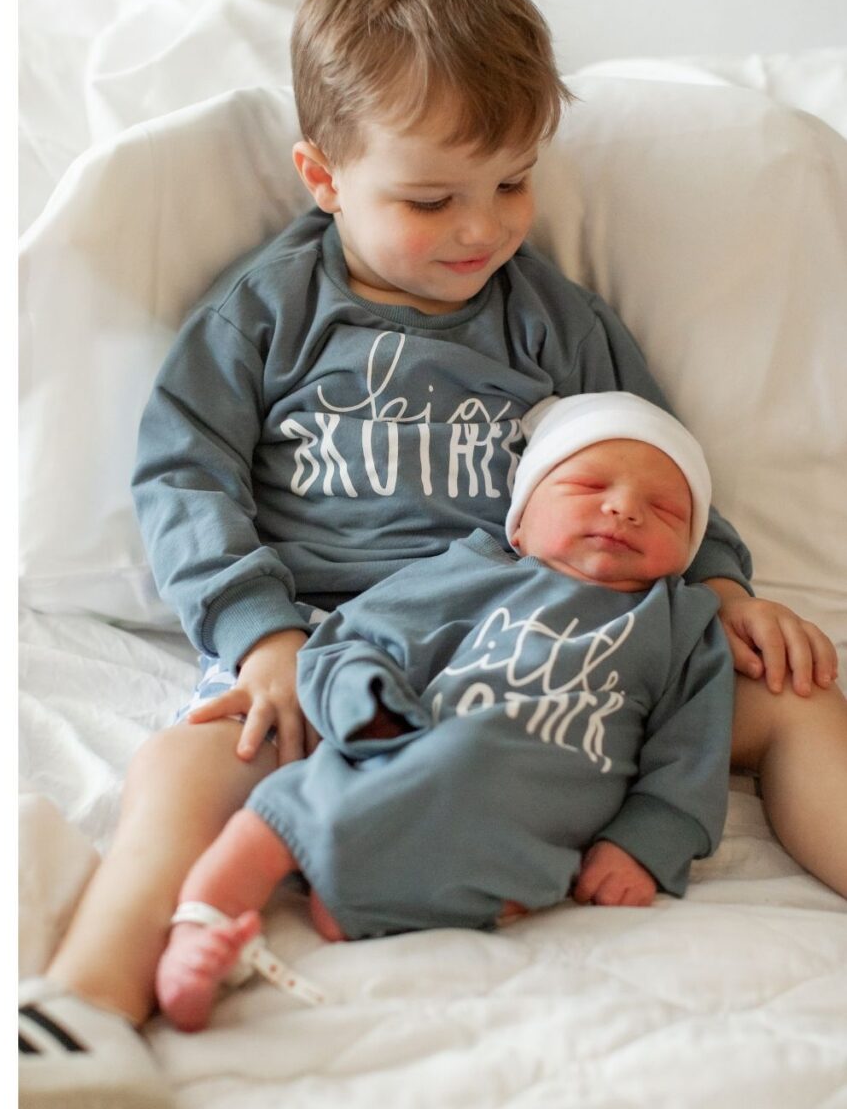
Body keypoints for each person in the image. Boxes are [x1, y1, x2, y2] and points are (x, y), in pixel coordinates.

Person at [18, 0, 847, 1101]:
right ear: (324, 177)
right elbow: (184, 472)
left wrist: (717, 584)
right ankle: (88, 1000)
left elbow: (650, 456)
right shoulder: (269, 313)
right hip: (346, 646)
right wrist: (263, 637)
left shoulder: (551, 321)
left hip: (549, 635)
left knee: (800, 700)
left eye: (513, 182)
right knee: (184, 764)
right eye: (428, 198)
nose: (481, 229)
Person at [157, 396, 732, 1021]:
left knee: (508, 875)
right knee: (265, 826)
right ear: (520, 523)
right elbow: (350, 641)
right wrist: (366, 707)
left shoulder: (682, 628)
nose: (622, 509)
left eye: (666, 510)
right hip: (396, 755)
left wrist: (645, 843)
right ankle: (198, 930)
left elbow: (692, 752)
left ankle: (365, 902)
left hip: (521, 824)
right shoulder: (470, 572)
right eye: (588, 486)